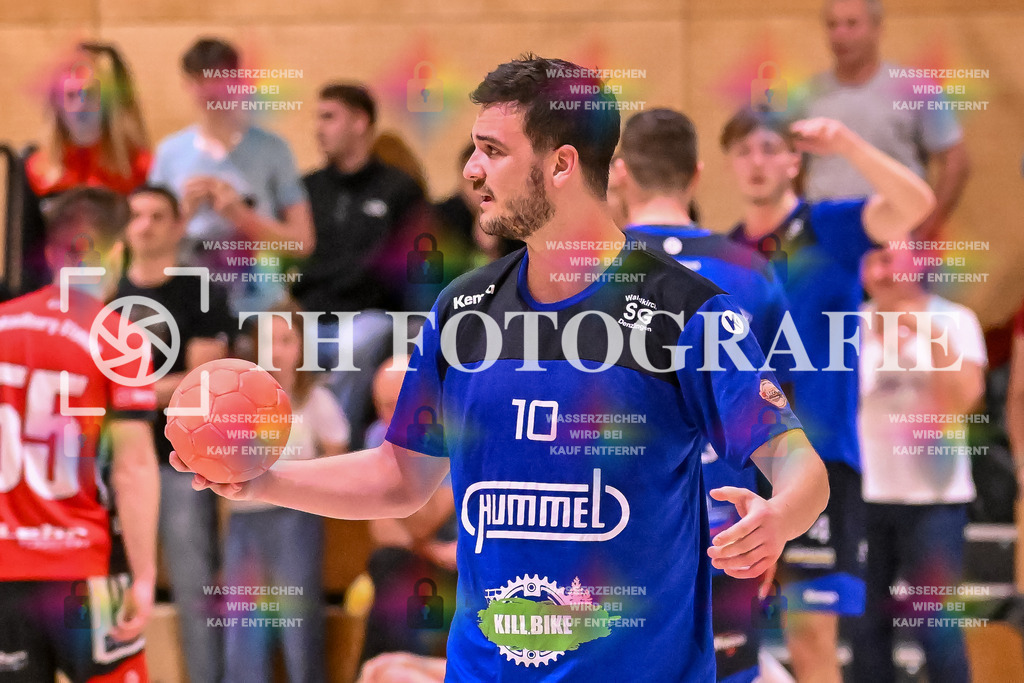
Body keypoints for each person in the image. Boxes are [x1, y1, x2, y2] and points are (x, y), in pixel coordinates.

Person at [171, 54, 830, 681]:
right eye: (474, 148)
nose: (471, 171)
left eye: (494, 149)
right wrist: (262, 480)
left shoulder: (684, 310)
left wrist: (779, 516)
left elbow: (798, 464)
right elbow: (400, 475)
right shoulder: (464, 309)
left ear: (563, 163)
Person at [722, 107, 935, 682]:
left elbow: (916, 204)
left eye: (770, 148)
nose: (757, 162)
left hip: (820, 463)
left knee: (812, 633)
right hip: (743, 464)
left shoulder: (832, 228)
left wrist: (846, 143)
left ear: (794, 160)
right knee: (729, 634)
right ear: (728, 165)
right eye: (744, 151)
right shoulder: (724, 253)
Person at [610, 107, 793, 683]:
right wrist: (777, 522)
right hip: (730, 529)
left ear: (617, 172)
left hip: (609, 528)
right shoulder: (750, 269)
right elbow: (778, 412)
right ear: (697, 172)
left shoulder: (583, 271)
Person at [0, 186, 159, 681]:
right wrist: (147, 576)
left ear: (49, 252)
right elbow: (132, 468)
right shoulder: (120, 338)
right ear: (118, 251)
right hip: (85, 568)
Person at [112, 184, 234, 683]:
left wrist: (124, 389)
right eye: (136, 215)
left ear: (178, 225)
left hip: (179, 461)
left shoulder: (198, 289)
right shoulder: (106, 293)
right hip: (113, 466)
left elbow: (199, 383)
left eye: (158, 216)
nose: (145, 225)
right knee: (113, 590)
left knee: (194, 588)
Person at [855, 244, 985, 682]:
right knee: (867, 628)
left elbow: (965, 400)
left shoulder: (955, 320)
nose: (883, 271)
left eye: (892, 258)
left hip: (935, 499)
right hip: (865, 494)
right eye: (873, 260)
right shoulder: (849, 325)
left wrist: (927, 334)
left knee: (936, 628)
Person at [294, 83, 428, 449]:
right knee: (267, 336)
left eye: (329, 117)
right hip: (308, 314)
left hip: (370, 314)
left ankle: (340, 444)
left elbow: (403, 269)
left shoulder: (399, 189)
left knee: (357, 341)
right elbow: (293, 260)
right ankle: (285, 447)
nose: (318, 128)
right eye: (317, 118)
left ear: (359, 122)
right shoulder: (307, 189)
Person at [222, 298, 349, 683]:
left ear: (302, 347)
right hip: (244, 526)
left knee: (300, 629)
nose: (276, 350)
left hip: (295, 524)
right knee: (242, 634)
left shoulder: (316, 401)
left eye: (286, 340)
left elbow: (340, 466)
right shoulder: (235, 402)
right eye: (267, 340)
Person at [148, 37, 313, 316]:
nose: (211, 92)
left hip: (257, 302)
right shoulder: (170, 153)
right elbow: (147, 244)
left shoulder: (272, 150)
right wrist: (184, 213)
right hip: (189, 301)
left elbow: (302, 242)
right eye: (201, 82)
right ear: (188, 85)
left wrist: (241, 216)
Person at [801, 0, 969, 239]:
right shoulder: (808, 95)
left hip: (894, 234)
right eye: (832, 25)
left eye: (852, 24)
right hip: (824, 237)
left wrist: (926, 228)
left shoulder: (916, 89)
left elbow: (956, 162)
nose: (840, 34)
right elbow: (791, 167)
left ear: (877, 28)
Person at [21, 42, 150, 295]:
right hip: (54, 292)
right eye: (70, 95)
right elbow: (27, 251)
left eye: (90, 94)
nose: (80, 105)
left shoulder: (139, 167)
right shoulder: (37, 169)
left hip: (120, 294)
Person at [361, 356, 457, 662]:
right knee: (389, 563)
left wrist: (397, 477)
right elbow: (381, 530)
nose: (392, 418)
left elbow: (424, 521)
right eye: (384, 407)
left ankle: (387, 669)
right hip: (423, 554)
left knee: (403, 582)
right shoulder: (379, 435)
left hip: (462, 558)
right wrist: (426, 546)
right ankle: (383, 670)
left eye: (400, 403)